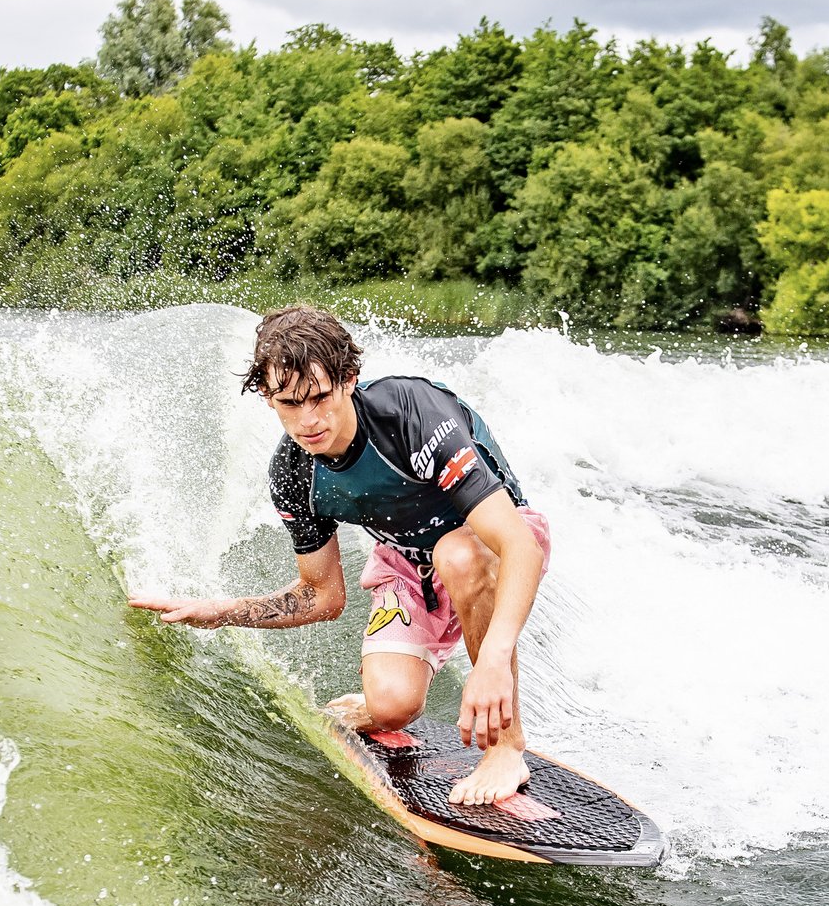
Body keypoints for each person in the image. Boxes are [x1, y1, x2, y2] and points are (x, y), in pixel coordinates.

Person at [129, 305, 551, 807]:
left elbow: (519, 546)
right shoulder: (293, 474)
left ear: (349, 379)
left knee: (457, 553)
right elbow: (322, 595)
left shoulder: (412, 415)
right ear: (266, 396)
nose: (308, 420)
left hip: (494, 545)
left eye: (320, 397)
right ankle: (378, 701)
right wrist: (222, 611)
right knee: (391, 707)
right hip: (409, 568)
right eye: (289, 403)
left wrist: (494, 662)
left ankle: (506, 749)